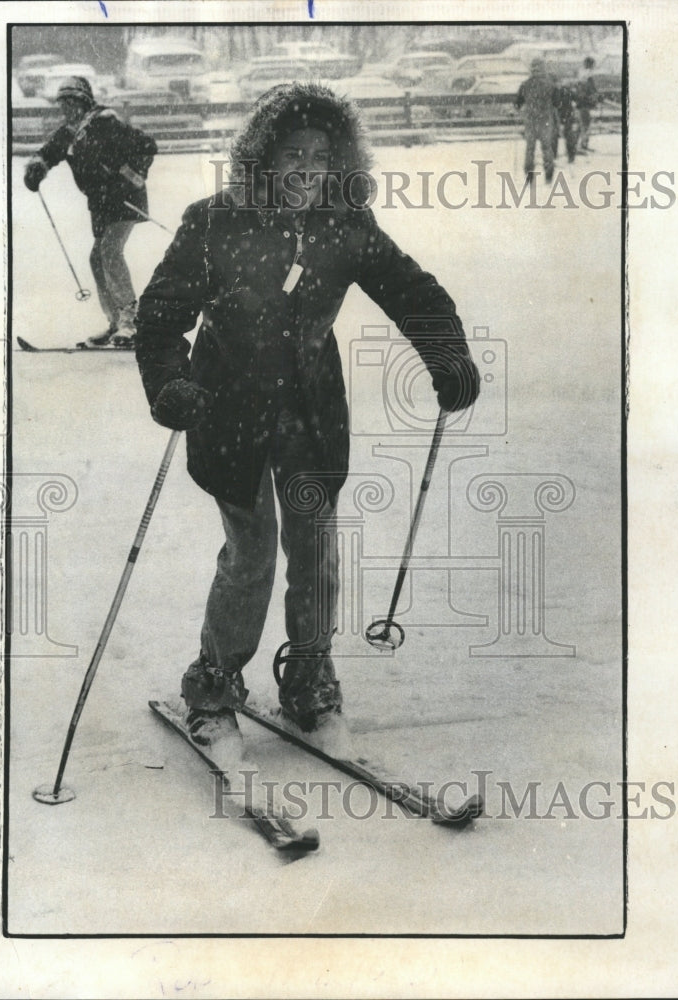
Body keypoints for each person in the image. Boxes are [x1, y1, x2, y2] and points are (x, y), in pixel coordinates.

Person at [134, 82, 480, 761]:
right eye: (293, 154)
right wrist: (171, 382)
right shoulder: (215, 221)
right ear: (263, 157)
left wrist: (448, 355)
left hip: (311, 416)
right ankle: (213, 682)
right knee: (253, 553)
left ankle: (309, 677)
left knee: (316, 552)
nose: (306, 170)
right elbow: (160, 317)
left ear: (338, 162)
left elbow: (412, 289)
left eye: (320, 158)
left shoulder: (345, 223)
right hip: (227, 410)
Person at [23, 76, 158, 348]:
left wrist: (130, 174)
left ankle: (130, 321)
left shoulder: (104, 123)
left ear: (83, 102)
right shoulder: (69, 132)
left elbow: (147, 145)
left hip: (124, 199)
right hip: (100, 204)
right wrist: (37, 169)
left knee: (109, 250)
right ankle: (114, 322)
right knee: (97, 258)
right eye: (62, 103)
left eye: (71, 102)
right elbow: (47, 153)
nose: (66, 108)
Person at [515, 58, 557, 183]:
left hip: (531, 120)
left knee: (530, 148)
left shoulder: (525, 85)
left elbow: (518, 103)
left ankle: (529, 174)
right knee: (546, 147)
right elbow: (556, 102)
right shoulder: (550, 85)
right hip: (545, 119)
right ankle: (549, 173)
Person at [551, 74, 579, 165]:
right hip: (559, 117)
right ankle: (555, 156)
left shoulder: (565, 91)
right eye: (556, 82)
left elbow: (577, 98)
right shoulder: (554, 92)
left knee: (568, 137)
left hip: (565, 117)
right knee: (555, 137)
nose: (558, 84)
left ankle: (569, 157)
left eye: (559, 82)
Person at [575, 56, 599, 153]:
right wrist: (594, 96)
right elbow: (590, 90)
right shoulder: (586, 77)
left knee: (582, 125)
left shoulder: (582, 76)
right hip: (584, 105)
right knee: (584, 125)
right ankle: (581, 146)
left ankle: (578, 145)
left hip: (582, 104)